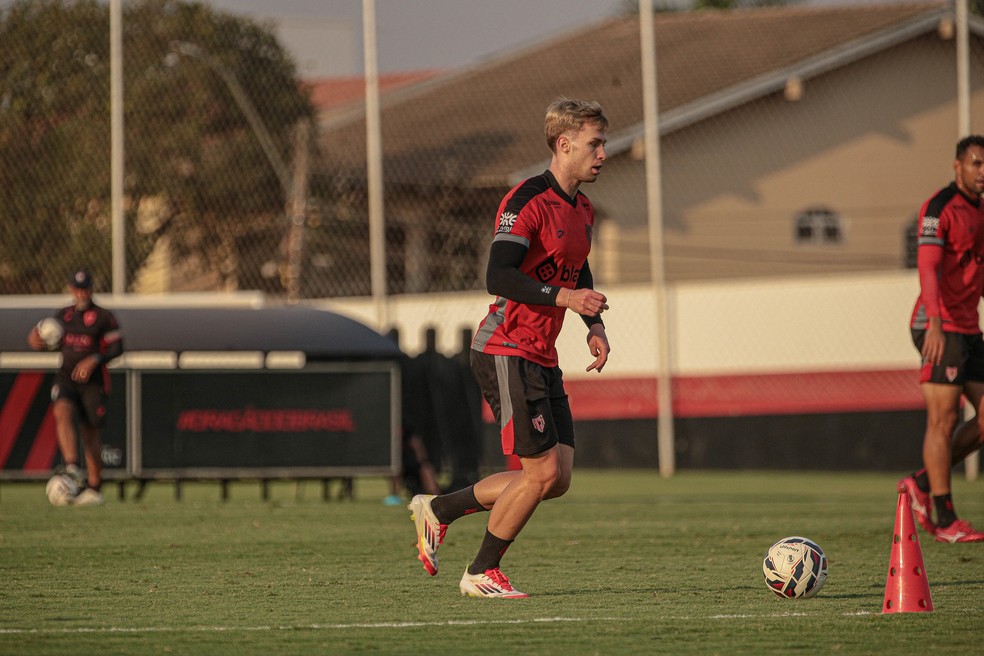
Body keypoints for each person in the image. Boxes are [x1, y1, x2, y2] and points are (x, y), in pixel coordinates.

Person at [408, 98, 612, 597]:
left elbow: (576, 267)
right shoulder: (526, 201)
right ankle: (480, 572)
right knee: (539, 474)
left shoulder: (582, 208)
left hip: (541, 353)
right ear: (563, 145)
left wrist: (593, 323)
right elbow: (497, 275)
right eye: (595, 143)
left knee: (556, 478)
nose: (603, 153)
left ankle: (439, 508)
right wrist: (567, 297)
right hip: (504, 348)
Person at [899, 135, 984, 543]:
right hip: (939, 326)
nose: (982, 172)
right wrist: (934, 320)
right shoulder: (939, 209)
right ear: (958, 166)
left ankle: (920, 481)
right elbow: (928, 268)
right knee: (944, 420)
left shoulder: (982, 210)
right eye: (976, 163)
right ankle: (946, 519)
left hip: (969, 328)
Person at [28, 269, 124, 506]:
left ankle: (94, 488)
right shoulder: (62, 316)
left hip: (93, 384)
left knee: (90, 433)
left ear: (91, 289)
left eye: (86, 288)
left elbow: (117, 348)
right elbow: (42, 338)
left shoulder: (103, 317)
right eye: (78, 288)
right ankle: (71, 466)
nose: (82, 293)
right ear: (71, 289)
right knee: (62, 410)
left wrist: (93, 360)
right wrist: (35, 339)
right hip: (66, 378)